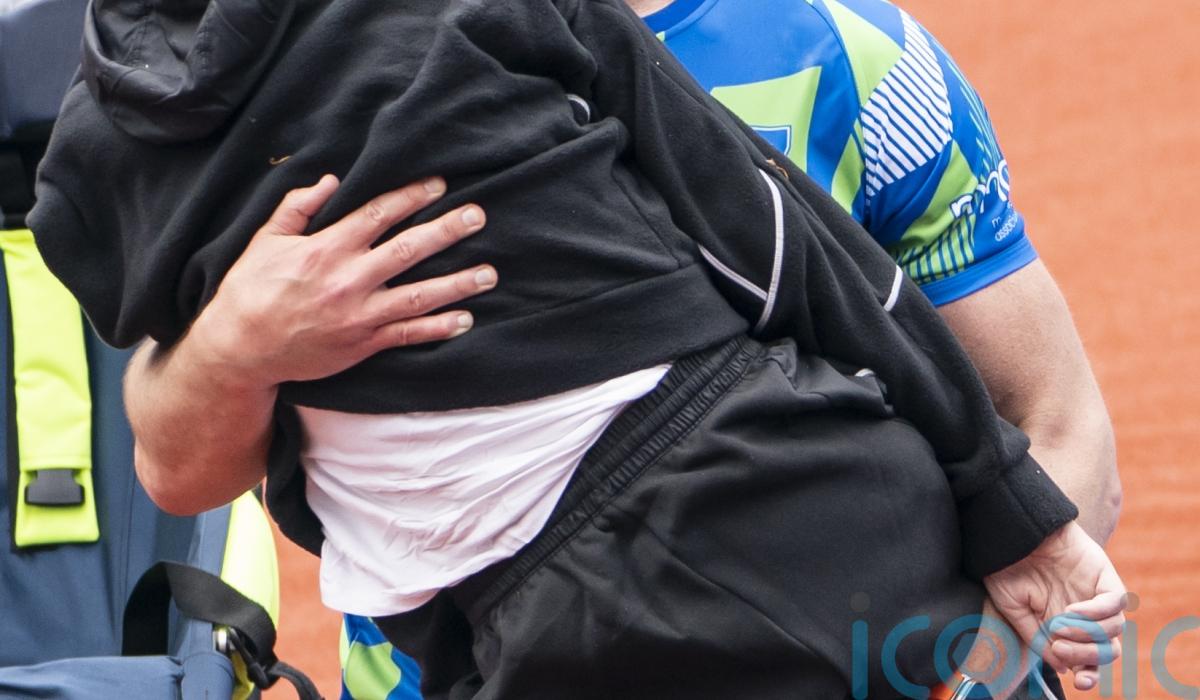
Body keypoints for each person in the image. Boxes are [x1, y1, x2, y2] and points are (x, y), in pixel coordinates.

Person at [30, 0, 1124, 697]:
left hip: (825, 625)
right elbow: (176, 469)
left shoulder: (851, 59)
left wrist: (964, 675)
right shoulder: (252, 97)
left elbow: (1058, 424)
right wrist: (240, 343)